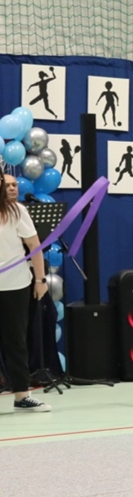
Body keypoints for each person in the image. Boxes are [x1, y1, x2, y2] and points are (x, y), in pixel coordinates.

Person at [0, 175, 51, 411]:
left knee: (15, 341)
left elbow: (34, 245)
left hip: (16, 284)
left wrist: (41, 280)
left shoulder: (16, 211)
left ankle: (22, 396)